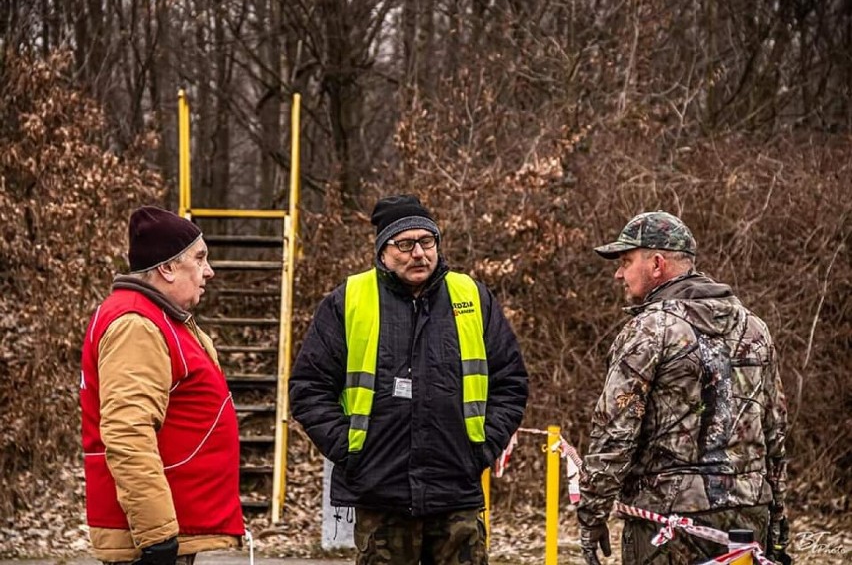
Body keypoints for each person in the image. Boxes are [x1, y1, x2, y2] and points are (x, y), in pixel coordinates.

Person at [289, 194, 529, 564]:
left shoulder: (471, 296)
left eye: (427, 241)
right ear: (383, 251)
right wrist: (352, 451)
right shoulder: (349, 300)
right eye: (405, 244)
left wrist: (480, 449)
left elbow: (510, 381)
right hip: (381, 494)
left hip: (456, 492)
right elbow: (309, 388)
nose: (419, 253)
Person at [578, 211, 790, 565]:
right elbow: (776, 432)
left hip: (668, 522)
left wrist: (592, 515)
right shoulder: (755, 328)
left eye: (626, 261)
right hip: (750, 514)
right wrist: (779, 523)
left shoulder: (649, 330)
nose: (619, 273)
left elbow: (614, 432)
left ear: (657, 263)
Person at [80, 206, 244, 565]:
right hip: (151, 539)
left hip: (170, 528)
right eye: (199, 259)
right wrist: (157, 537)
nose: (209, 271)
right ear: (167, 268)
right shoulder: (136, 325)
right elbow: (127, 432)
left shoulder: (159, 318)